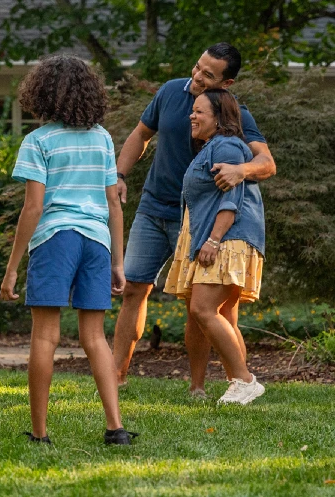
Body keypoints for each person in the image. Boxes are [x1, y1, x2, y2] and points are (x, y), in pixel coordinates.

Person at [111, 43, 277, 391]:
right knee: (134, 289)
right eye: (197, 67)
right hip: (154, 207)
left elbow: (267, 163)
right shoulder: (170, 91)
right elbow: (141, 135)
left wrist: (240, 170)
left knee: (200, 304)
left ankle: (202, 386)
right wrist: (120, 176)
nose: (197, 77)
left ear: (226, 83)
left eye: (208, 74)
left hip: (198, 218)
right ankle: (116, 377)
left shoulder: (235, 115)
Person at [0, 54, 136, 446]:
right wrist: (117, 261)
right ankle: (115, 428)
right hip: (96, 241)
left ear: (40, 93)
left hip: (56, 239)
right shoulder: (102, 138)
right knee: (95, 337)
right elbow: (113, 203)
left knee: (45, 336)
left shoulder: (38, 141)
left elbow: (34, 207)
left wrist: (12, 268)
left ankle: (40, 435)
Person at [164, 89, 267, 404]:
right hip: (222, 237)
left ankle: (245, 380)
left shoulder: (227, 146)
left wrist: (212, 240)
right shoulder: (213, 147)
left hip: (228, 238)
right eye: (192, 111)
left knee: (203, 309)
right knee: (215, 312)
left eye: (199, 112)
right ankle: (238, 384)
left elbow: (230, 199)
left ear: (219, 118)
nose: (192, 116)